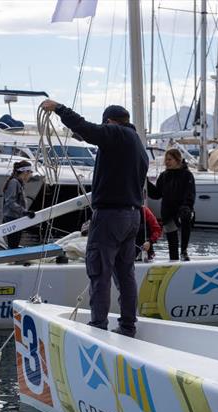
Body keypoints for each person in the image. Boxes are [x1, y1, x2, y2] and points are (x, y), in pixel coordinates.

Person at [41, 99, 149, 338]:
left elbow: (89, 129)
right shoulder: (136, 144)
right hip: (132, 216)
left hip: (110, 215)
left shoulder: (116, 134)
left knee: (99, 270)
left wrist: (59, 108)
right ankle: (128, 326)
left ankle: (98, 326)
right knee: (125, 274)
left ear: (109, 122)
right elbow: (90, 134)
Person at [147, 148, 196, 261]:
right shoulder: (164, 176)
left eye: (169, 159)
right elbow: (157, 194)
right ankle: (174, 260)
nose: (167, 162)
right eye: (166, 160)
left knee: (185, 217)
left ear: (177, 160)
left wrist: (186, 207)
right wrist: (147, 183)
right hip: (168, 211)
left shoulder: (187, 175)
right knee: (172, 242)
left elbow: (190, 194)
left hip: (182, 211)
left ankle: (184, 251)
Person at [2, 160, 36, 248]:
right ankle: (11, 259)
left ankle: (13, 258)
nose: (31, 175)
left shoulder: (19, 183)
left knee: (14, 244)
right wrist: (24, 212)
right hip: (11, 219)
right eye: (30, 172)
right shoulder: (14, 182)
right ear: (25, 172)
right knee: (13, 245)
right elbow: (10, 202)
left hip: (16, 218)